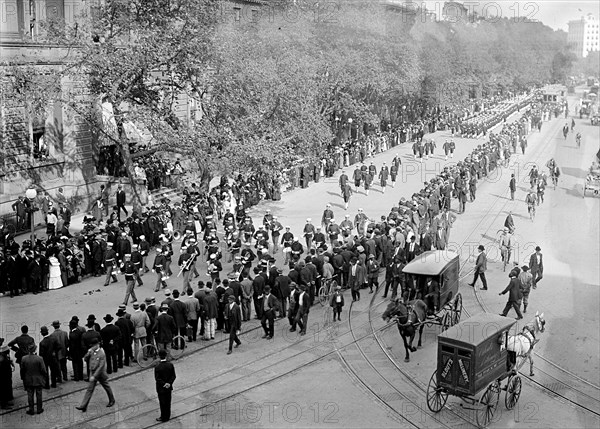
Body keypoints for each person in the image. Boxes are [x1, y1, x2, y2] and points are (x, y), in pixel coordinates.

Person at [76, 337, 115, 412]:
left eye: (93, 346)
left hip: (100, 374)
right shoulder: (92, 351)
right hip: (92, 372)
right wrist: (88, 353)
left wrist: (94, 376)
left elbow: (101, 366)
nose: (92, 347)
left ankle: (112, 400)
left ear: (97, 345)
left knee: (106, 387)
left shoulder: (102, 353)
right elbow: (85, 359)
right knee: (89, 390)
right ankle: (83, 406)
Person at [20, 344, 46, 415]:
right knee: (39, 394)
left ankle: (31, 410)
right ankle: (39, 409)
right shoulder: (39, 358)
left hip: (28, 379)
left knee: (30, 395)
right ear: (35, 350)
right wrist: (44, 377)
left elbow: (22, 370)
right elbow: (43, 370)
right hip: (38, 379)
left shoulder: (24, 358)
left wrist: (23, 378)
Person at [155, 348, 176, 423]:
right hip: (168, 387)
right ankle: (167, 416)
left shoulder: (157, 367)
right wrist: (169, 383)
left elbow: (157, 379)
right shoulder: (170, 365)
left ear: (159, 356)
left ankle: (163, 416)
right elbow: (173, 376)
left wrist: (164, 384)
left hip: (161, 388)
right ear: (166, 355)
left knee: (162, 403)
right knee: (168, 402)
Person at [0, 344, 14, 410]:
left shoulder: (3, 356)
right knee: (4, 390)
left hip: (5, 377)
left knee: (5, 390)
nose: (9, 350)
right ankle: (4, 405)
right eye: (8, 350)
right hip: (4, 378)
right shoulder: (3, 359)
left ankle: (6, 402)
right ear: (5, 351)